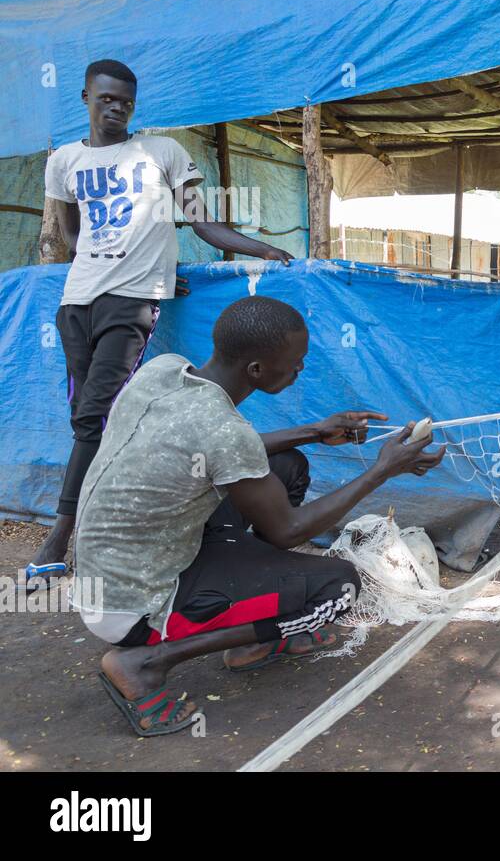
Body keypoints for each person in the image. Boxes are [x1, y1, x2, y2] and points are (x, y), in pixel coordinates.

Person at [73, 296, 444, 736]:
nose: (300, 370)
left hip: (105, 573)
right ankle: (147, 662)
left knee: (288, 465)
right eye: (295, 363)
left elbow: (216, 450)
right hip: (133, 608)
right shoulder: (224, 430)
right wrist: (385, 469)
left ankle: (257, 626)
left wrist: (313, 432)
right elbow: (287, 531)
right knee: (339, 586)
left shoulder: (164, 371)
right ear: (255, 370)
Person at [28, 59, 293, 591]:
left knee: (96, 413)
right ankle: (91, 528)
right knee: (87, 416)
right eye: (105, 98)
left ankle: (60, 537)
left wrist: (262, 249)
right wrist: (128, 262)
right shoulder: (64, 161)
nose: (116, 107)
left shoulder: (163, 153)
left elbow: (204, 222)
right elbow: (76, 239)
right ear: (85, 97)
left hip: (132, 305)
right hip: (76, 303)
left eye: (125, 100)